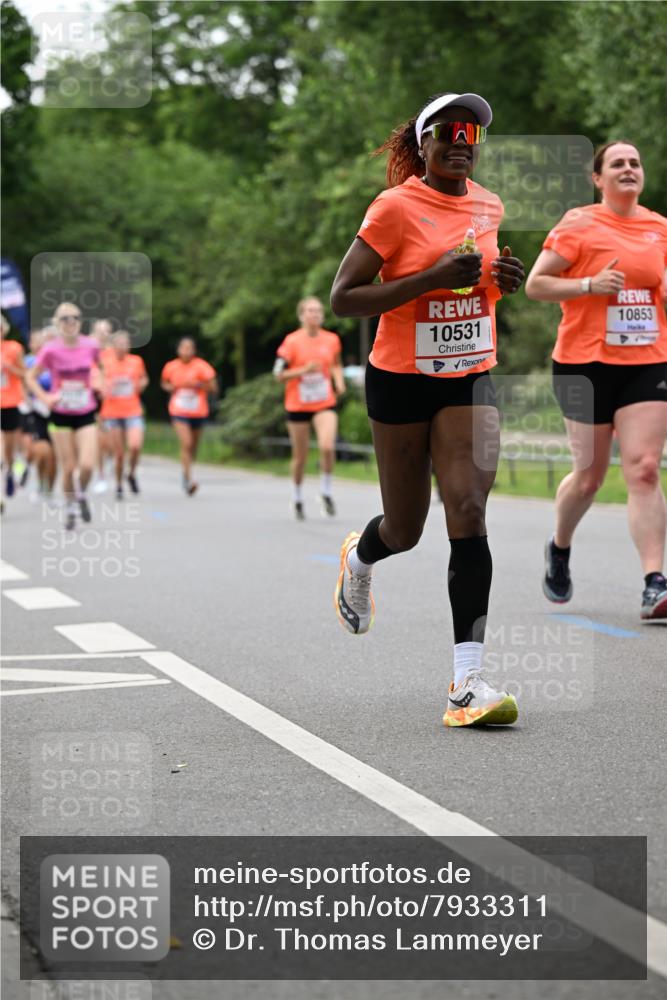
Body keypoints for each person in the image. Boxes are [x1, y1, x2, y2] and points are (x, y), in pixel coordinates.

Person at [330, 92, 525, 728]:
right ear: (425, 143)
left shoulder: (490, 203)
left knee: (467, 508)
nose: (462, 140)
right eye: (448, 131)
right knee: (407, 528)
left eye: (472, 132)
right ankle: (361, 555)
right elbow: (345, 298)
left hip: (471, 376)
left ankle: (466, 683)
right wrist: (431, 278)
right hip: (401, 380)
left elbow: (480, 282)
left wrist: (502, 280)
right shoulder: (395, 206)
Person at [526, 140, 667, 620]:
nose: (629, 169)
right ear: (597, 178)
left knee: (645, 467)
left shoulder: (659, 228)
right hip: (583, 364)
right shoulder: (579, 223)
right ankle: (560, 546)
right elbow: (536, 284)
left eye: (635, 162)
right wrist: (588, 285)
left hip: (648, 362)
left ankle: (654, 582)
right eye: (618, 164)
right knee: (589, 477)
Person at [26, 302, 103, 530]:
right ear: (57, 324)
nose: (71, 323)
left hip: (86, 410)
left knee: (87, 465)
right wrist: (45, 397)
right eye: (65, 319)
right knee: (69, 467)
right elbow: (30, 377)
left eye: (75, 318)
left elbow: (98, 368)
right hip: (60, 413)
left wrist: (99, 381)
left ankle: (80, 495)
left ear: (80, 322)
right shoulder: (50, 349)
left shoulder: (91, 345)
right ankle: (70, 505)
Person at [273, 296, 345, 520]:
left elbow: (335, 363)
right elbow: (278, 374)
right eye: (309, 311)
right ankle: (297, 496)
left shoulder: (332, 339)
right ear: (301, 315)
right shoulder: (291, 342)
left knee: (327, 447)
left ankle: (325, 491)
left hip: (324, 402)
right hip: (297, 404)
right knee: (300, 457)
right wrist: (303, 370)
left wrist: (339, 380)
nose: (314, 315)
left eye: (318, 311)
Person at [160, 337, 218, 495]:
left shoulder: (202, 366)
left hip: (198, 411)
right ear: (178, 350)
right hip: (178, 410)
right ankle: (188, 479)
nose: (186, 351)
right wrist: (171, 387)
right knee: (186, 443)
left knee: (193, 447)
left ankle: (186, 469)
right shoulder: (171, 366)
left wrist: (198, 384)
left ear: (194, 350)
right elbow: (164, 383)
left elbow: (213, 387)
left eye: (189, 348)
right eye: (183, 348)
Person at [99, 331, 149, 499]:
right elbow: (95, 378)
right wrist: (102, 387)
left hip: (133, 410)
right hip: (112, 413)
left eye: (125, 343)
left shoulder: (136, 361)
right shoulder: (104, 360)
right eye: (119, 343)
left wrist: (141, 384)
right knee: (119, 454)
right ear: (113, 346)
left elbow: (144, 379)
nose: (122, 347)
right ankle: (119, 484)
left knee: (135, 446)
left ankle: (131, 474)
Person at [20, 329, 56, 500]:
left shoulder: (54, 360)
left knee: (54, 456)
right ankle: (38, 481)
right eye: (36, 341)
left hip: (56, 410)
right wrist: (27, 399)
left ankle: (50, 489)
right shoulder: (28, 361)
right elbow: (22, 382)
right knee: (42, 451)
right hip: (36, 410)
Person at [1, 314, 25, 507]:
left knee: (7, 451)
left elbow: (25, 373)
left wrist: (9, 367)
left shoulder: (14, 348)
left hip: (10, 403)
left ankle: (9, 472)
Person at [90, 318, 114, 493]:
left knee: (110, 442)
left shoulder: (114, 353)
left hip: (115, 402)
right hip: (94, 399)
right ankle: (100, 475)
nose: (102, 335)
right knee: (99, 440)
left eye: (106, 332)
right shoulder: (87, 351)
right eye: (99, 332)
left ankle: (111, 459)